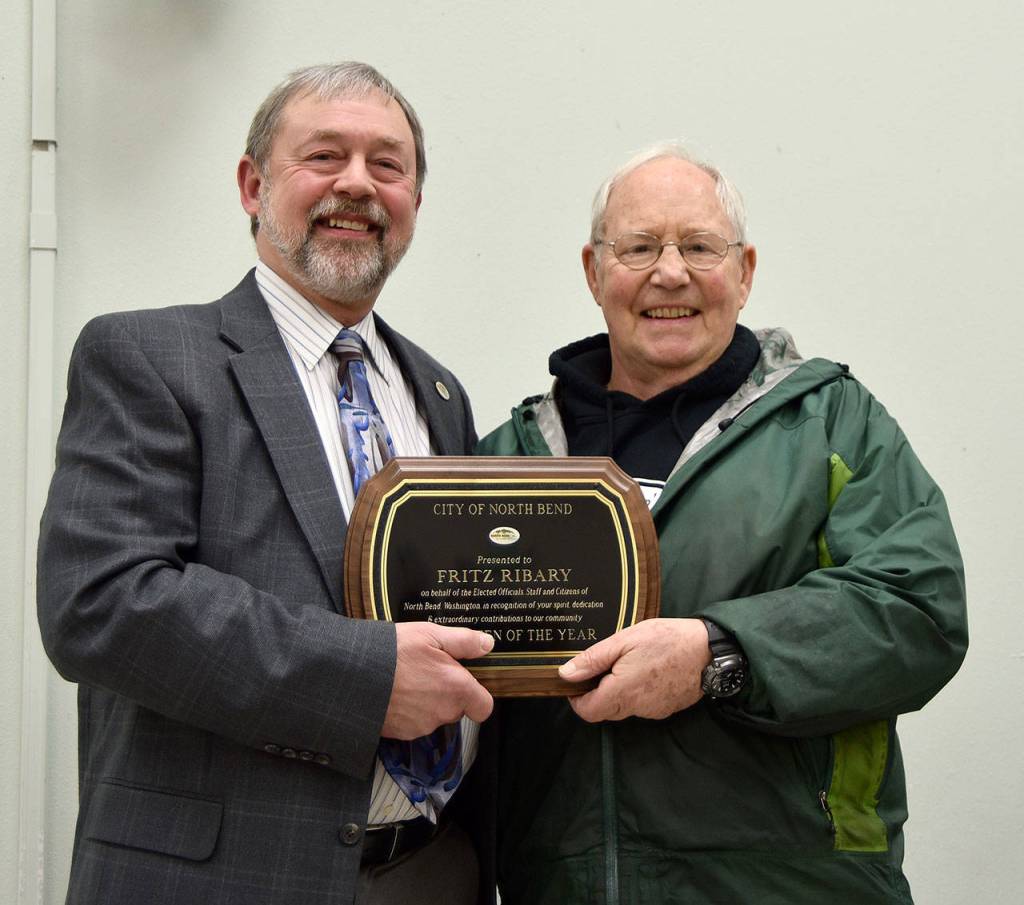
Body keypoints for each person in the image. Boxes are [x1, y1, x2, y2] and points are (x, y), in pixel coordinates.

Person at [37, 62, 496, 905]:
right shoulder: (148, 358)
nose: (357, 183)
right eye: (324, 156)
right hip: (220, 879)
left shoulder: (439, 393)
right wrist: (366, 679)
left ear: (415, 205)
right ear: (253, 185)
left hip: (434, 872)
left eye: (387, 165)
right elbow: (99, 603)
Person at [477, 141, 967, 904]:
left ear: (745, 272)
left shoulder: (831, 422)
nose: (669, 272)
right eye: (638, 247)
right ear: (593, 270)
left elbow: (920, 609)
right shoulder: (506, 460)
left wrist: (718, 652)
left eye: (699, 246)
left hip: (793, 887)